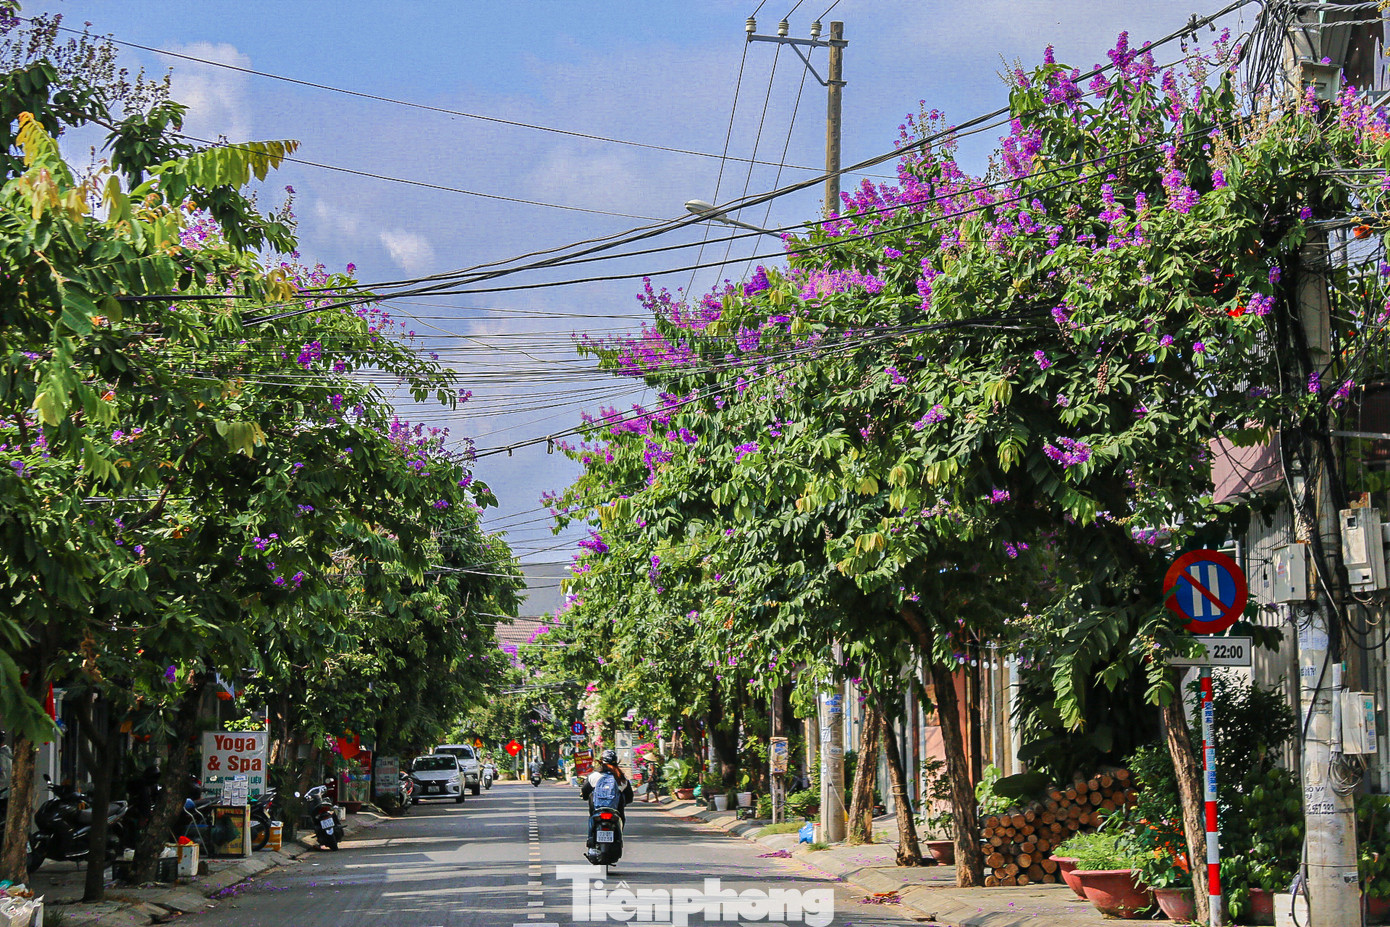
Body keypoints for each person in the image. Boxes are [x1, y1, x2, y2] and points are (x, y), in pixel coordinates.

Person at [580, 750, 633, 848]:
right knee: (621, 818)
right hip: (615, 811)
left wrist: (584, 796)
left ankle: (590, 838)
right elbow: (629, 797)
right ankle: (619, 838)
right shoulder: (621, 778)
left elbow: (585, 791)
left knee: (592, 818)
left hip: (597, 810)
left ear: (602, 761)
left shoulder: (594, 776)